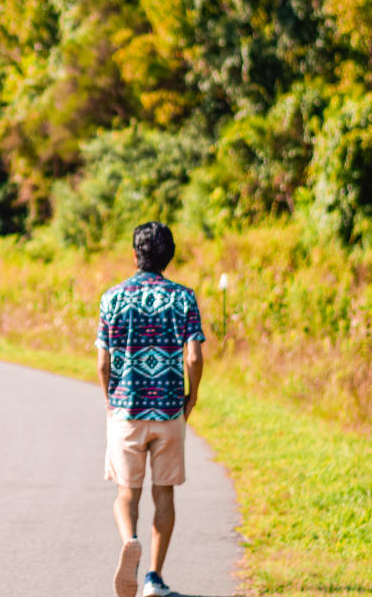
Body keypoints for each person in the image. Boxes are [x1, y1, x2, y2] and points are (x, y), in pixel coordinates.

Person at [97, 222, 205, 597]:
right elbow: (193, 355)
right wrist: (190, 397)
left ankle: (130, 541)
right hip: (168, 411)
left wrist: (111, 402)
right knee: (165, 495)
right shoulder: (183, 298)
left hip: (126, 410)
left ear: (134, 255)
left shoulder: (113, 298)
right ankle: (154, 579)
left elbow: (102, 363)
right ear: (169, 257)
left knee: (126, 493)